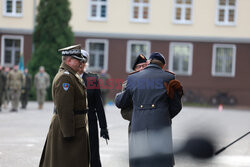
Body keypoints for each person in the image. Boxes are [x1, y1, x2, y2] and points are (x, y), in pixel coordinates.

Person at [115, 52, 183, 167]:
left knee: (140, 162)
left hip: (138, 129)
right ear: (163, 66)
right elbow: (176, 106)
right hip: (161, 129)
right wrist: (162, 115)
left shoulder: (133, 78)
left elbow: (121, 102)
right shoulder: (169, 78)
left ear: (148, 62)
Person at [39, 44, 89, 167]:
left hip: (74, 127)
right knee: (65, 161)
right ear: (69, 60)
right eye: (78, 61)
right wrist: (68, 134)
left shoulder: (71, 76)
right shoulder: (65, 78)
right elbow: (65, 108)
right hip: (69, 130)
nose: (81, 64)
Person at [78, 49, 109, 167]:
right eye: (78, 62)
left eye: (83, 62)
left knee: (93, 152)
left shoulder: (92, 79)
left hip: (90, 121)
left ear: (86, 64)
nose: (80, 65)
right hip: (73, 121)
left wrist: (103, 126)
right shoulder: (68, 78)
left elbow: (99, 105)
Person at [120, 54, 148, 133]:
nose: (142, 69)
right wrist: (142, 117)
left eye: (144, 66)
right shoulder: (127, 85)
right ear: (135, 70)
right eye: (139, 66)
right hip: (136, 128)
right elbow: (124, 112)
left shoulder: (155, 84)